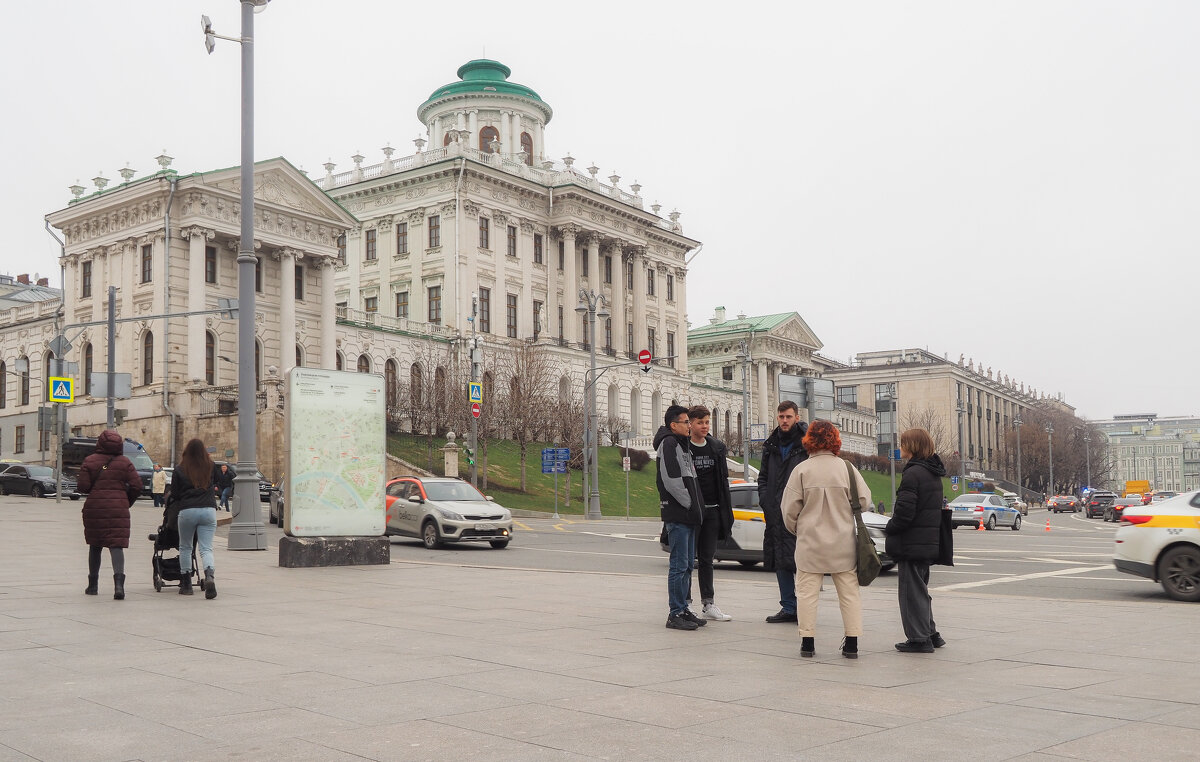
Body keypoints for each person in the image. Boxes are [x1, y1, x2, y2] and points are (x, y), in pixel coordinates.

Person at [782, 420, 871, 659]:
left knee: (807, 594)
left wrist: (798, 529)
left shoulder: (801, 470)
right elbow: (864, 501)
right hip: (842, 542)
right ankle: (851, 643)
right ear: (835, 440)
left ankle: (807, 643)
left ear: (809, 440)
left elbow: (788, 510)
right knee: (849, 593)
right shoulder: (847, 468)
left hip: (810, 543)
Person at [884, 428, 952, 653]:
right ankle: (931, 633)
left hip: (912, 543)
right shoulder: (931, 472)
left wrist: (890, 527)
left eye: (902, 443)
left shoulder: (913, 474)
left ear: (911, 446)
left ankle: (919, 639)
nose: (900, 446)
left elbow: (904, 513)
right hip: (927, 542)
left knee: (911, 593)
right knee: (920, 589)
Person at [655, 404, 706, 631]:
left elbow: (691, 480)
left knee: (686, 565)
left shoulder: (682, 445)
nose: (689, 425)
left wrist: (697, 508)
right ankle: (675, 613)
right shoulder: (669, 444)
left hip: (688, 515)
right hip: (678, 515)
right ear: (673, 425)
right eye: (686, 422)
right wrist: (690, 506)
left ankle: (683, 608)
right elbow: (672, 481)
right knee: (678, 565)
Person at [757, 401, 809, 623]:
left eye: (788, 416)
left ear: (796, 417)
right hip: (776, 512)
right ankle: (788, 607)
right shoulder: (771, 444)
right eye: (781, 417)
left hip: (802, 513)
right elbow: (763, 477)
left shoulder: (806, 444)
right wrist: (766, 500)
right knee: (781, 560)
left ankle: (805, 608)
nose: (784, 420)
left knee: (804, 563)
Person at [76, 429, 142, 600]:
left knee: (95, 545)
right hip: (118, 508)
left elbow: (82, 487)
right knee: (116, 545)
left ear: (100, 443)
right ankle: (119, 586)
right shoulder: (125, 462)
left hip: (95, 508)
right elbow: (137, 486)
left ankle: (92, 585)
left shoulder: (90, 461)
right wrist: (127, 501)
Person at [686, 405, 735, 621]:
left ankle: (709, 604)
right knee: (687, 560)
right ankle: (685, 604)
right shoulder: (683, 447)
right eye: (700, 422)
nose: (705, 426)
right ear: (690, 424)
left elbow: (722, 482)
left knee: (707, 559)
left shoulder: (716, 447)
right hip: (692, 511)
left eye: (707, 422)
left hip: (713, 511)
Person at [172, 439, 220, 599]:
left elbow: (175, 494)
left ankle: (186, 585)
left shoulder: (180, 469)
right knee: (206, 548)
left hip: (188, 510)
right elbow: (216, 484)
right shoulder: (211, 466)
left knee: (185, 547)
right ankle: (209, 577)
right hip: (208, 509)